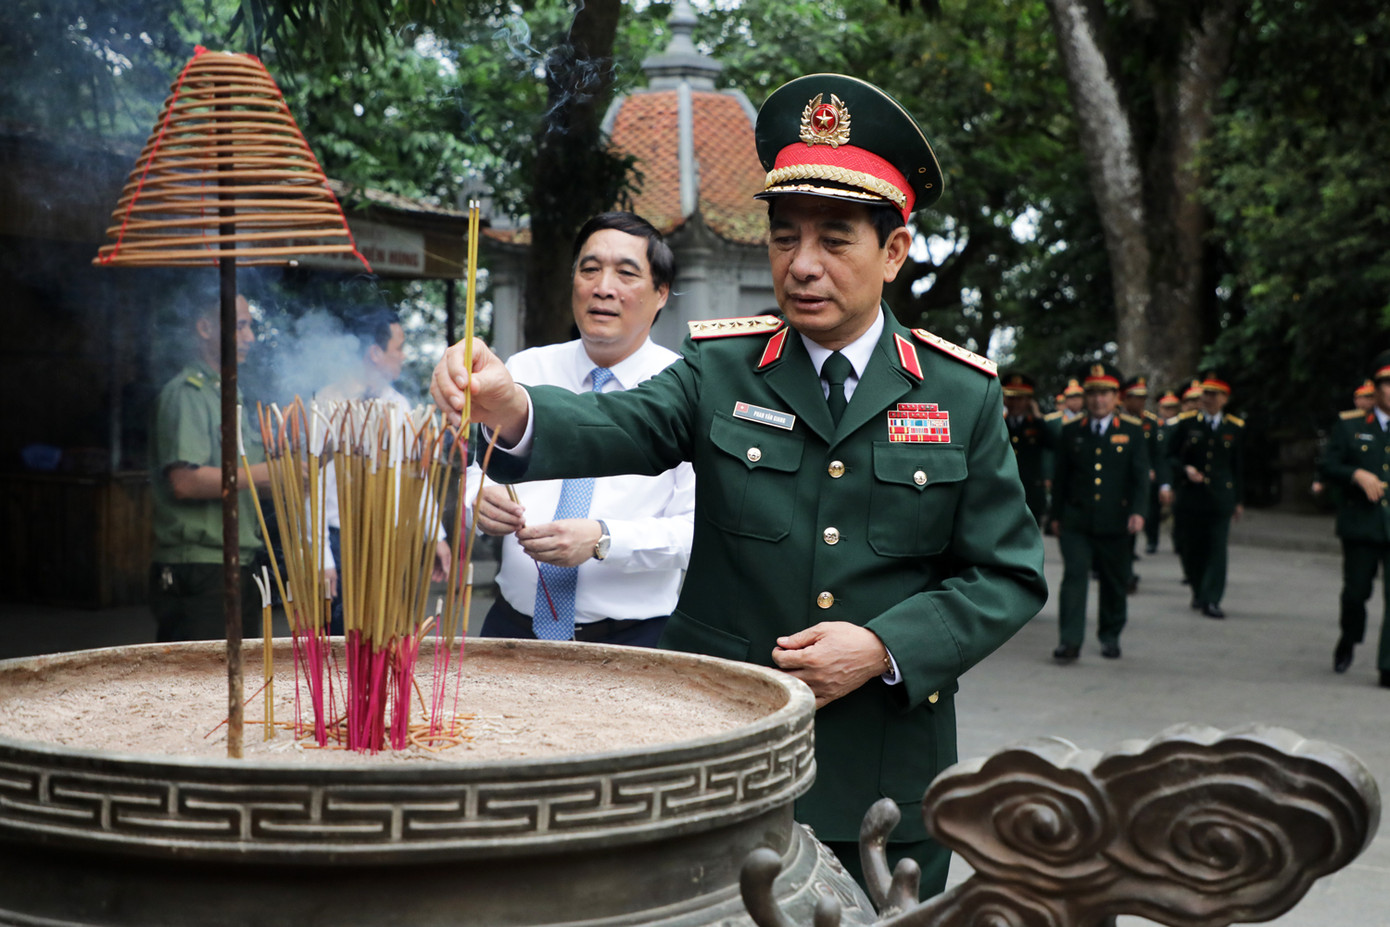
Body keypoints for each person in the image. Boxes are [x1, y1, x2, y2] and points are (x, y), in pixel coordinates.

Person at [430, 73, 1047, 899]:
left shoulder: (959, 394)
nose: (803, 265)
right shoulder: (721, 367)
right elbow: (622, 423)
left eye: (835, 241)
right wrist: (513, 407)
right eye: (784, 238)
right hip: (726, 753)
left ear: (895, 251)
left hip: (882, 770)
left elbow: (1007, 574)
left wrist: (884, 647)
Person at [468, 212, 695, 647]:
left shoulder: (687, 387)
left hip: (632, 641)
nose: (603, 287)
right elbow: (478, 471)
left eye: (626, 273)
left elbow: (696, 529)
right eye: (589, 269)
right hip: (511, 630)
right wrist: (477, 501)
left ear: (661, 293)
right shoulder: (524, 371)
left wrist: (605, 538)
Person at [316, 309, 451, 635]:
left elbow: (415, 475)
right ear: (375, 353)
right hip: (341, 542)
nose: (403, 356)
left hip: (392, 539)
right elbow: (311, 487)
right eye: (399, 347)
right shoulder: (328, 401)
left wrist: (436, 535)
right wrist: (322, 557)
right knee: (344, 640)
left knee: (391, 637)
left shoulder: (398, 403)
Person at [148, 294, 271, 642]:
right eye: (240, 326)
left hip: (238, 560)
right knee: (200, 673)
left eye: (250, 326)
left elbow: (246, 482)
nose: (250, 337)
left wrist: (293, 476)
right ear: (204, 328)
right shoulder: (187, 394)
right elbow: (184, 482)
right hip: (200, 566)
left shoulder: (229, 395)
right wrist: (268, 472)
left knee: (241, 671)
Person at [1049, 363, 1149, 661]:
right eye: (1092, 393)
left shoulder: (1131, 430)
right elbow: (1061, 477)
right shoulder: (1071, 431)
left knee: (1113, 580)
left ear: (1116, 397)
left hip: (1115, 520)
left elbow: (1140, 477)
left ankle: (1110, 635)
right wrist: (1055, 515)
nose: (1098, 400)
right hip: (1076, 519)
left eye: (1104, 393)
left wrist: (1139, 511)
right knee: (1074, 577)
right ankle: (1070, 641)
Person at [1319, 353, 1390, 687]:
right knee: (1355, 594)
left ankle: (1387, 665)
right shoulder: (1351, 425)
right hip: (1362, 523)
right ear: (1375, 389)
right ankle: (1349, 636)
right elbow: (1327, 465)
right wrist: (1356, 474)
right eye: (1388, 384)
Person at [1161, 371, 1244, 618]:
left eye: (1214, 394)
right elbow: (1169, 456)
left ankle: (1212, 599)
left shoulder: (1234, 427)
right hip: (1191, 497)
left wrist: (1238, 500)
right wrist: (1184, 470)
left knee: (1217, 549)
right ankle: (1198, 590)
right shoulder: (1187, 423)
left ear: (1225, 398)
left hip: (1220, 497)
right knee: (1192, 548)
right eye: (1206, 393)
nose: (1208, 398)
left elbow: (1238, 467)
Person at [1003, 371, 1054, 526]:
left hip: (1031, 492)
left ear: (1029, 401)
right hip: (1005, 491)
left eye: (1020, 398)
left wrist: (1038, 416)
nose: (1015, 403)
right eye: (1011, 398)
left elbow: (1052, 443)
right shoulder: (1000, 423)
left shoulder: (1036, 424)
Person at [1121, 375, 1163, 564]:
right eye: (1137, 397)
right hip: (1120, 477)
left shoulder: (1150, 423)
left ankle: (1130, 552)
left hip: (1142, 475)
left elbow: (1156, 452)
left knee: (1140, 511)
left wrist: (1153, 470)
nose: (1141, 402)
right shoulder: (1118, 420)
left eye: (1143, 397)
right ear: (1126, 398)